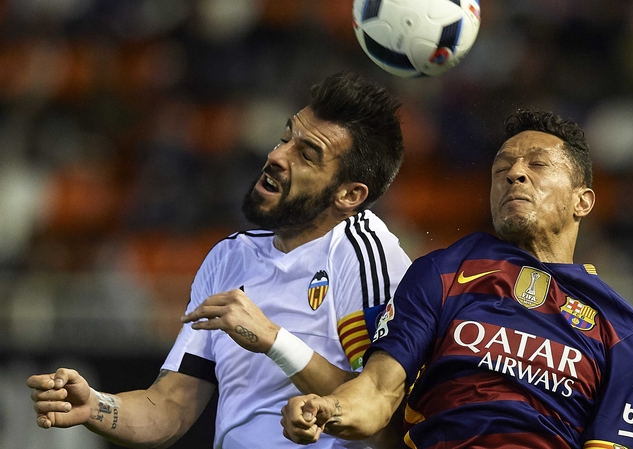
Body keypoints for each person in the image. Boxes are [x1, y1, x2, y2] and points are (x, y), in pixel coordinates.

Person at [27, 71, 412, 449]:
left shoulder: (366, 258)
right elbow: (170, 408)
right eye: (285, 138)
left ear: (349, 195)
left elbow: (381, 416)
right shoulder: (230, 257)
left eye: (307, 155)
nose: (277, 155)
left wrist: (275, 341)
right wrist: (96, 405)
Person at [281, 109, 633, 449]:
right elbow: (379, 391)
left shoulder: (626, 334)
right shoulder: (443, 272)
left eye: (538, 165)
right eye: (502, 169)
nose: (514, 174)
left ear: (583, 201)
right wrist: (329, 408)